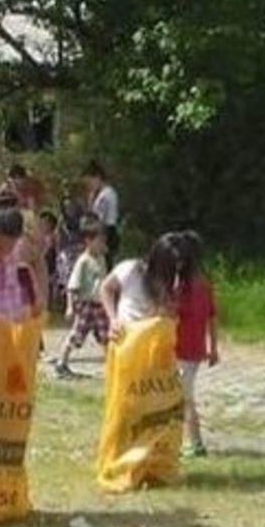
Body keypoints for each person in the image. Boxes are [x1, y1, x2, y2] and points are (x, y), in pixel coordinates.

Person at [172, 231, 219, 457]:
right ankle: (187, 440)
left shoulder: (181, 287)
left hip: (182, 349)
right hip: (196, 350)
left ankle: (196, 443)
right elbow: (213, 317)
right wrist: (213, 348)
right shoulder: (204, 283)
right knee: (184, 395)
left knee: (185, 398)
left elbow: (171, 315)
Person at [51, 221, 110, 378]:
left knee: (106, 334)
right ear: (88, 241)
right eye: (99, 241)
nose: (102, 244)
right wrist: (70, 307)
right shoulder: (83, 261)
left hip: (100, 304)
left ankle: (112, 363)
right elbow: (72, 286)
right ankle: (62, 363)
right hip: (86, 304)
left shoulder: (101, 259)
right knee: (76, 334)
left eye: (103, 241)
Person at [99, 233, 179, 333]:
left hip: (151, 337)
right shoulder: (130, 269)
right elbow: (106, 288)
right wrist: (113, 319)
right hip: (126, 333)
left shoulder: (172, 281)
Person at [83, 160, 121, 268]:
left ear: (98, 178)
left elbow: (99, 219)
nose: (89, 186)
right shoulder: (98, 195)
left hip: (106, 233)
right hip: (101, 233)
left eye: (90, 182)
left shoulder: (106, 195)